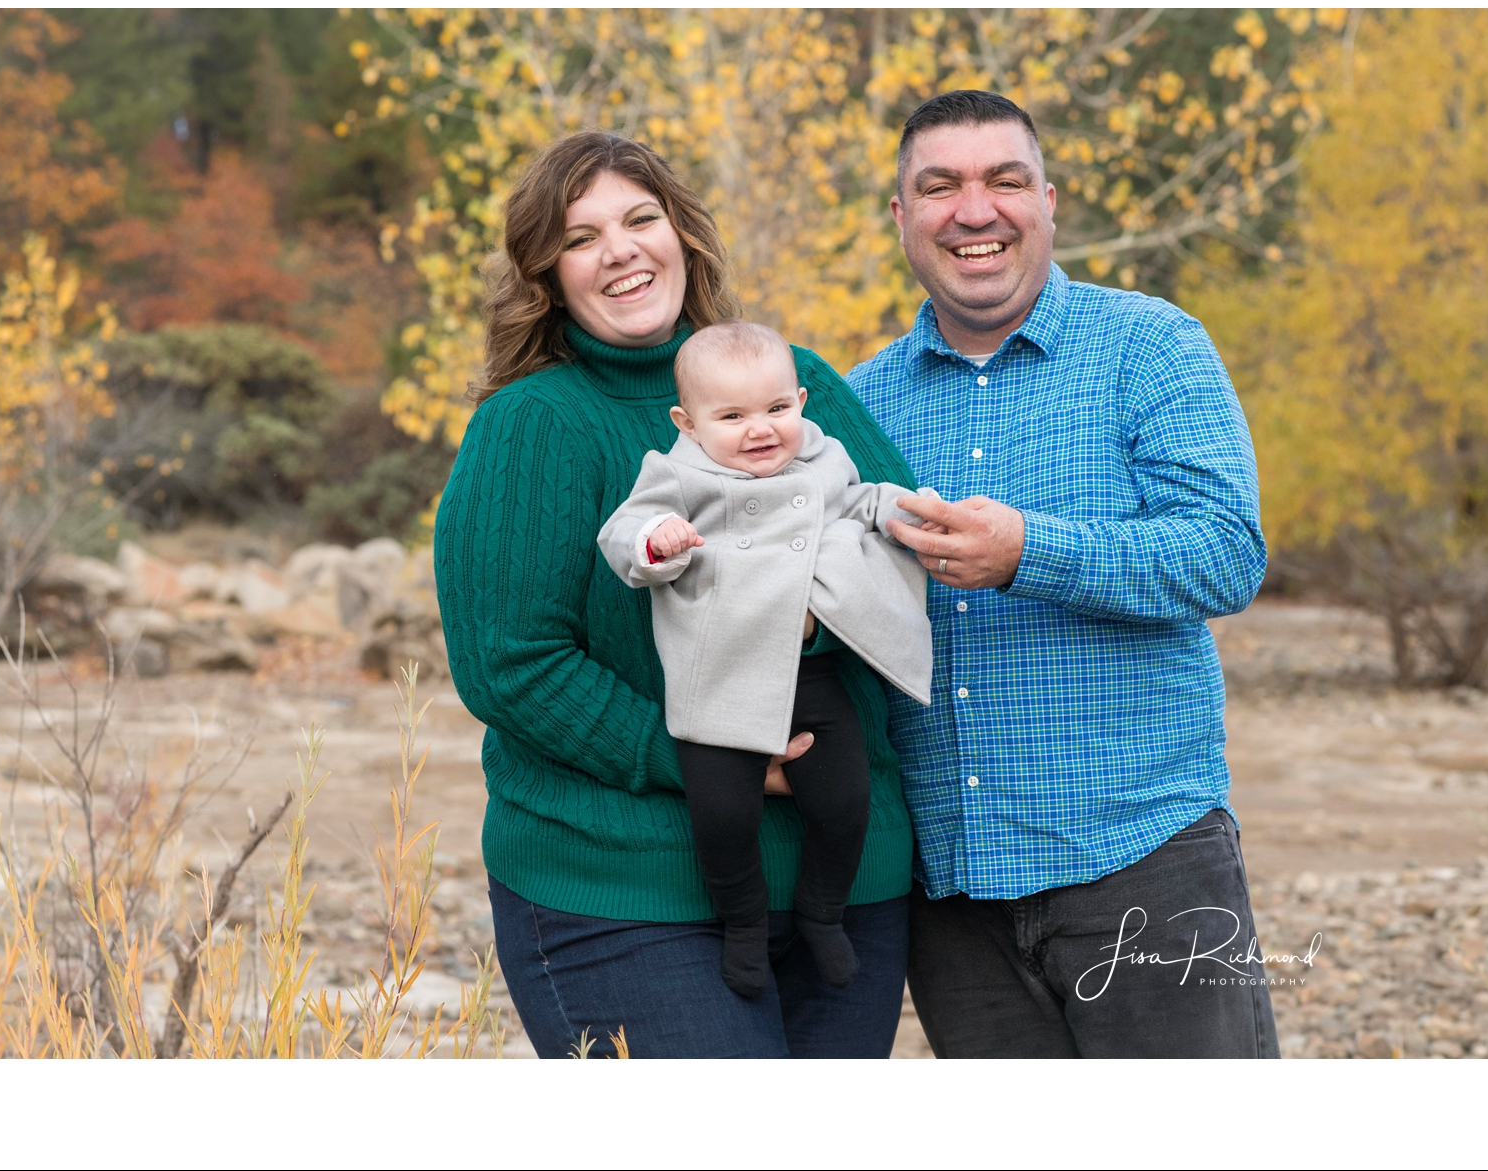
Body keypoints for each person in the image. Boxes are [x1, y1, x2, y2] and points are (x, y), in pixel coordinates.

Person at [434, 132, 920, 1058]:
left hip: (845, 886)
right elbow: (510, 665)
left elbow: (894, 547)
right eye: (581, 237)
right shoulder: (531, 427)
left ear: (683, 237)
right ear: (549, 275)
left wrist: (804, 623)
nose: (620, 249)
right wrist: (703, 757)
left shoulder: (797, 384)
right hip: (626, 888)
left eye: (640, 219)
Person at [845, 89, 1281, 1058]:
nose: (974, 210)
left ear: (1049, 200)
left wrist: (1029, 553)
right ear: (902, 217)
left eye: (1004, 180)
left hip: (1144, 861)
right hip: (952, 892)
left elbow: (1225, 553)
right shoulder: (858, 401)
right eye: (939, 185)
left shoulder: (1151, 345)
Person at [597, 321, 934, 999]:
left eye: (777, 408)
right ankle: (743, 924)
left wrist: (906, 509)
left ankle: (821, 911)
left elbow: (863, 499)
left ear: (801, 401)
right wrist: (657, 540)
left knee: (844, 803)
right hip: (719, 679)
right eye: (732, 416)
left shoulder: (821, 458)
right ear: (687, 423)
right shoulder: (676, 472)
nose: (760, 429)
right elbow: (623, 531)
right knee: (722, 816)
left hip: (811, 675)